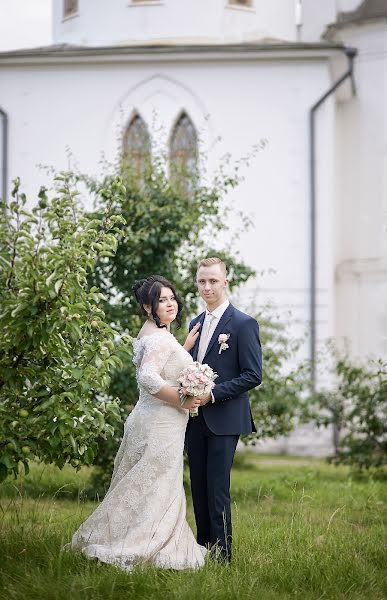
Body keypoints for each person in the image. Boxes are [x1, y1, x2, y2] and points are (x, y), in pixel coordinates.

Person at [70, 275, 206, 571]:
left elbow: (161, 364)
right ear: (147, 307)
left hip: (149, 419)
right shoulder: (159, 337)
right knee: (157, 484)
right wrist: (182, 400)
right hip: (161, 423)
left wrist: (182, 347)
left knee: (143, 482)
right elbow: (147, 377)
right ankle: (147, 543)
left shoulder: (153, 334)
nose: (170, 304)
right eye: (161, 300)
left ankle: (128, 534)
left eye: (172, 298)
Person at [185, 257, 262, 563]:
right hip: (194, 419)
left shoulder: (243, 324)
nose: (207, 287)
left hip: (224, 418)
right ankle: (203, 550)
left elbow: (253, 374)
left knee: (217, 489)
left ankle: (223, 556)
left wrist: (212, 395)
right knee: (199, 488)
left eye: (213, 281)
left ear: (225, 282)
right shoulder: (195, 323)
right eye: (202, 281)